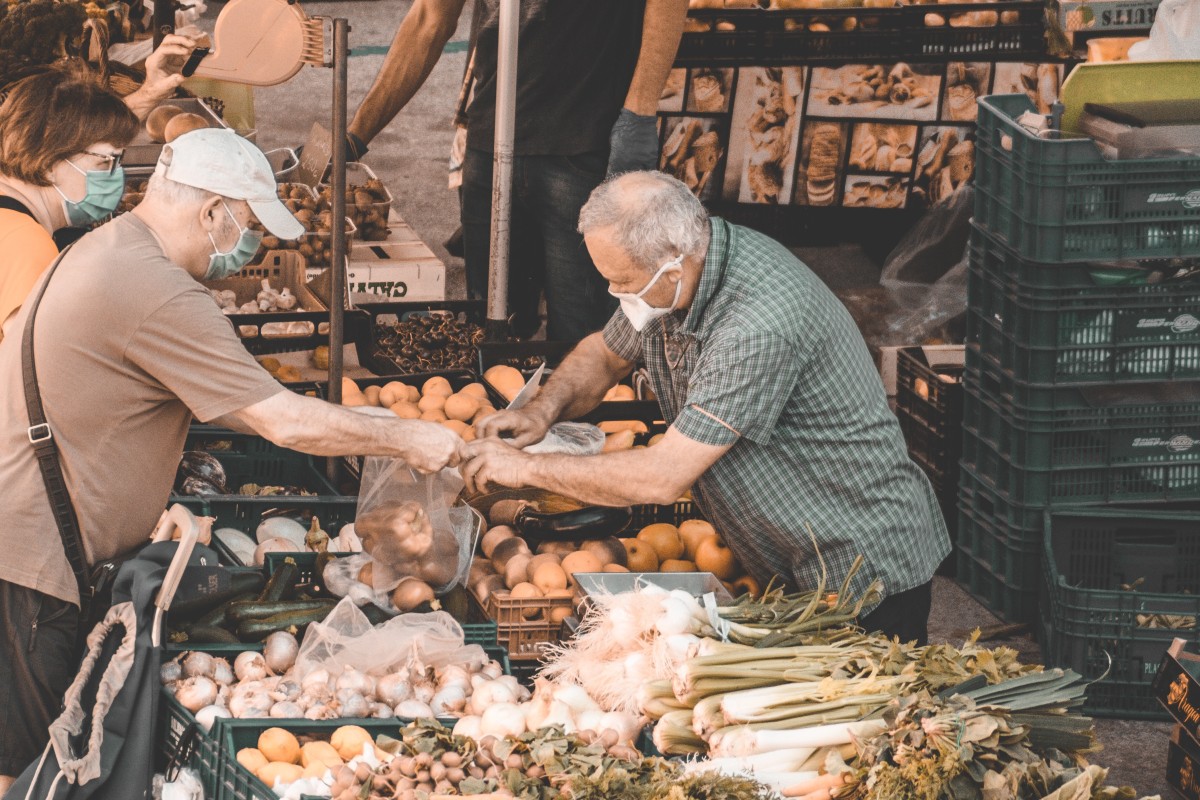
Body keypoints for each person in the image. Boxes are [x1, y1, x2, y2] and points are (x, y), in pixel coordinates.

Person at [0, 129, 465, 790]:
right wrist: (406, 438)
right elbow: (279, 419)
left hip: (26, 544)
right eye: (246, 222)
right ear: (213, 211)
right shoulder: (158, 290)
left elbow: (200, 401)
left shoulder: (110, 248)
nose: (249, 243)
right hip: (31, 570)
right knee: (28, 772)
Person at [461, 171, 951, 645]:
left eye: (624, 283)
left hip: (860, 565)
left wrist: (527, 467)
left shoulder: (755, 325)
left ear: (673, 266)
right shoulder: (679, 275)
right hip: (799, 553)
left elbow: (663, 476)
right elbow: (606, 353)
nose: (617, 295)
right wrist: (541, 412)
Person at [347, 0, 687, 340]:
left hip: (585, 142)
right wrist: (354, 137)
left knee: (584, 333)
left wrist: (639, 112)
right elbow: (428, 19)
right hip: (491, 142)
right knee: (493, 330)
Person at [0, 36, 200, 340]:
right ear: (50, 163)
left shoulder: (14, 188)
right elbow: (37, 366)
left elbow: (75, 135)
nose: (114, 176)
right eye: (104, 163)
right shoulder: (28, 243)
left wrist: (149, 92)